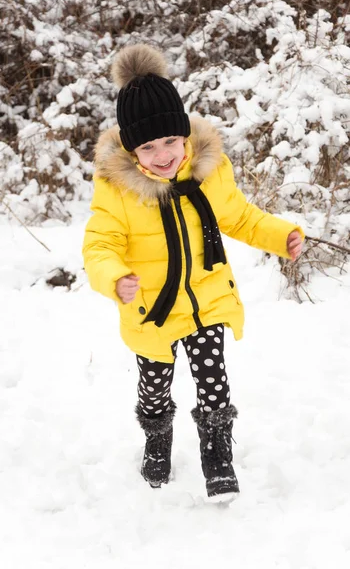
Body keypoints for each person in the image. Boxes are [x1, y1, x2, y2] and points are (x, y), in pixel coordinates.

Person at [82, 44, 304, 503]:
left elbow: (241, 218)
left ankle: (217, 455)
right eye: (148, 146)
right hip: (152, 310)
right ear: (131, 148)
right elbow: (100, 244)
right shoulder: (119, 191)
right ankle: (158, 436)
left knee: (213, 377)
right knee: (154, 385)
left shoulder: (209, 172)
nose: (162, 154)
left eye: (170, 141)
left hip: (206, 298)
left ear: (184, 134)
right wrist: (114, 277)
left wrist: (281, 236)